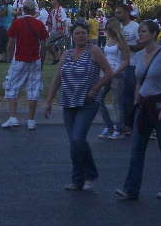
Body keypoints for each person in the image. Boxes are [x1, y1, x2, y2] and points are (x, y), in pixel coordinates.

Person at [44, 20, 112, 191]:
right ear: (72, 36)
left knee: (78, 138)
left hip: (87, 102)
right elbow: (57, 78)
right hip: (69, 101)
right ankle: (77, 179)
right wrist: (48, 102)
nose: (81, 36)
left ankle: (91, 174)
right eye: (77, 33)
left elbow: (109, 72)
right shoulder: (66, 54)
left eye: (84, 33)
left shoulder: (94, 51)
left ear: (88, 36)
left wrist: (95, 89)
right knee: (73, 143)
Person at [116, 20, 161, 200]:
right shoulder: (138, 55)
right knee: (137, 149)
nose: (140, 34)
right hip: (143, 105)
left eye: (144, 32)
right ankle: (131, 188)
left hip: (160, 104)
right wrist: (136, 103)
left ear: (153, 34)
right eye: (140, 32)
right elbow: (139, 82)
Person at [0, 0, 48, 130]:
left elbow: (10, 43)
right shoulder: (39, 24)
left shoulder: (17, 23)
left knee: (11, 86)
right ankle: (31, 120)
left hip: (19, 58)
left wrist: (10, 59)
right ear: (33, 11)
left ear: (22, 10)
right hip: (35, 59)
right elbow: (43, 46)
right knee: (33, 88)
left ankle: (13, 117)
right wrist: (42, 61)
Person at [96, 17, 130, 139]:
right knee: (99, 100)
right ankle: (108, 126)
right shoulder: (108, 42)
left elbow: (126, 61)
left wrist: (116, 72)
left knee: (116, 101)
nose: (107, 31)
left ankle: (120, 128)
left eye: (108, 29)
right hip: (106, 73)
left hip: (117, 75)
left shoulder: (121, 43)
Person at [115, 4, 140, 134]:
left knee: (128, 94)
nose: (117, 15)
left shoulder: (135, 27)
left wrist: (128, 47)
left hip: (132, 63)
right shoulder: (118, 27)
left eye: (119, 13)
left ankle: (130, 124)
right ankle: (124, 123)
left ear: (125, 13)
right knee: (120, 96)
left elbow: (142, 44)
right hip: (119, 64)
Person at [45, 0, 69, 64]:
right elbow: (50, 21)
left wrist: (64, 31)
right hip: (54, 31)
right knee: (48, 45)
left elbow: (64, 21)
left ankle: (65, 60)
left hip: (60, 31)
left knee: (62, 46)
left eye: (52, 0)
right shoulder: (53, 11)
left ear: (56, 1)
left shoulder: (61, 10)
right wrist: (49, 30)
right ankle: (56, 58)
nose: (51, 1)